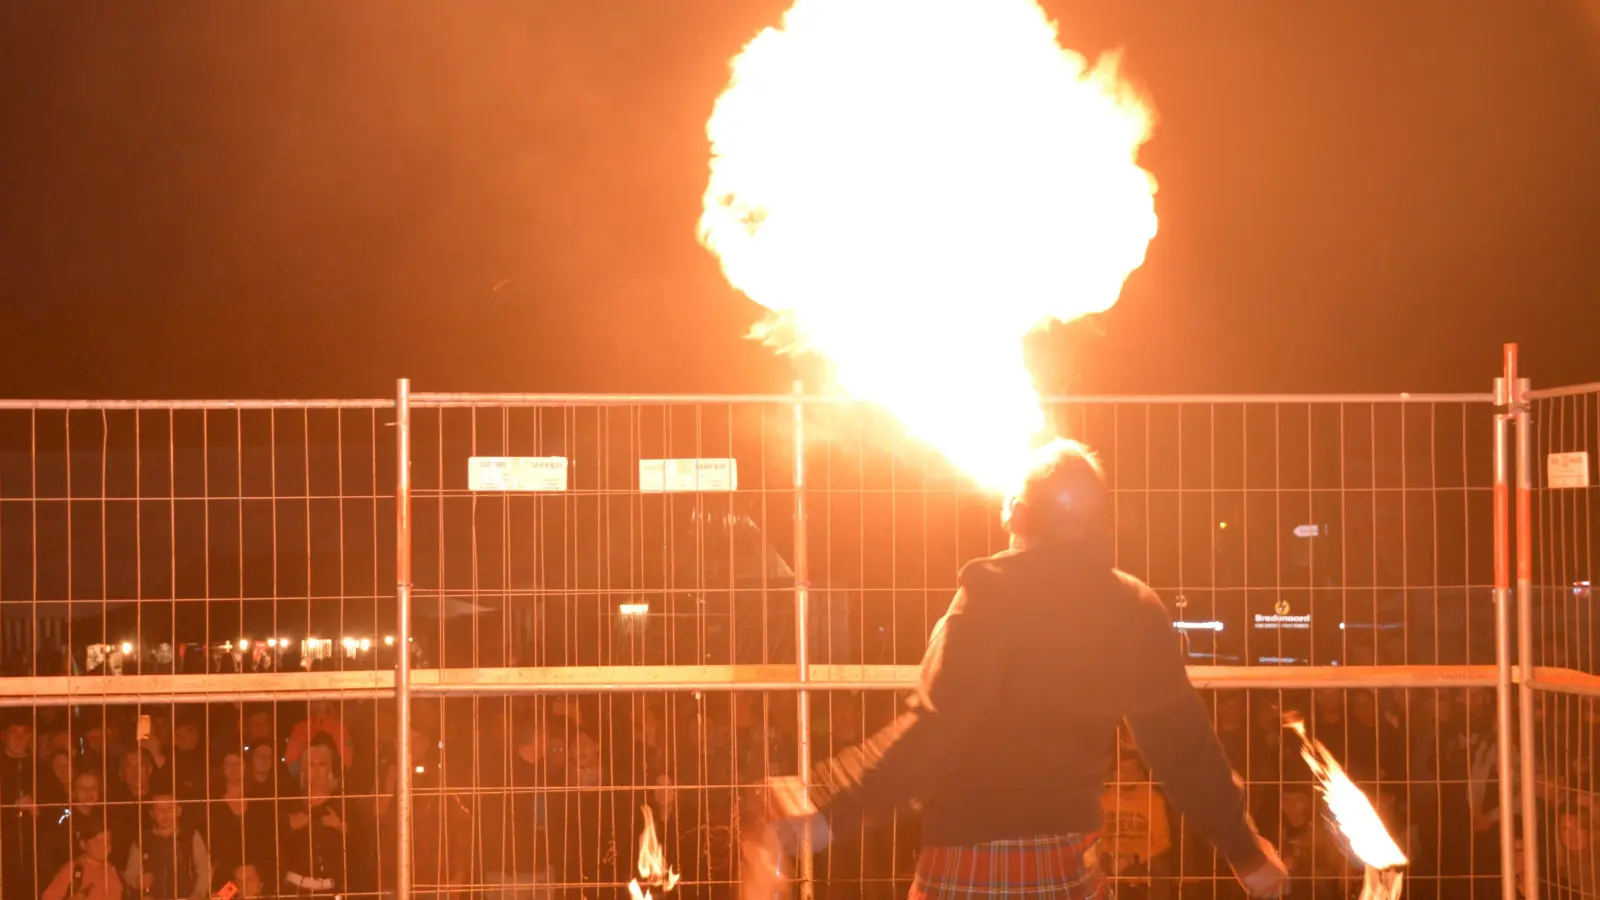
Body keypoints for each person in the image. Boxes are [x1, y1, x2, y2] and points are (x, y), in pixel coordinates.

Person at [763, 439, 1290, 899]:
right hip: (1068, 864)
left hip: (971, 862)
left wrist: (831, 809)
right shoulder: (1133, 605)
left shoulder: (989, 593)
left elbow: (937, 729)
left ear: (1013, 513)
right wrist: (1246, 853)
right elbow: (1183, 747)